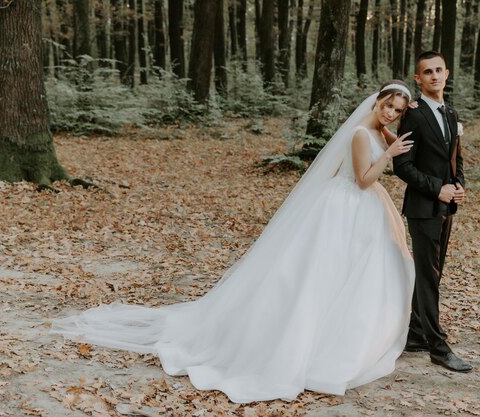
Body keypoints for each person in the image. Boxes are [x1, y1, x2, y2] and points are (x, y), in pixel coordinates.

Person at [52, 81, 417, 403]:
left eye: (398, 111)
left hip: (359, 211)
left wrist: (404, 122)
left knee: (349, 275)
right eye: (387, 105)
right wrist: (387, 154)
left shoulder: (377, 131)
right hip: (347, 204)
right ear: (375, 101)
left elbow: (389, 143)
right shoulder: (359, 134)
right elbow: (365, 180)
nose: (391, 114)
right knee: (317, 274)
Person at [393, 51, 472, 373]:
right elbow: (402, 166)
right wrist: (435, 188)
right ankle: (438, 348)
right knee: (428, 276)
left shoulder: (450, 113)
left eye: (439, 70)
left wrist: (459, 184)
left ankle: (415, 334)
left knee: (434, 272)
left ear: (447, 73)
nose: (435, 76)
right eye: (428, 72)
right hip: (423, 207)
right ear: (418, 79)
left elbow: (455, 158)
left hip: (447, 205)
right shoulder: (413, 115)